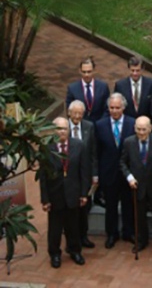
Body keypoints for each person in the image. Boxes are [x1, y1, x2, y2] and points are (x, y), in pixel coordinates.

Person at [39, 117, 89, 268]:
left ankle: (75, 251)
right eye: (59, 129)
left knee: (73, 226)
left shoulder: (79, 145)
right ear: (53, 130)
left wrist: (83, 194)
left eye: (65, 128)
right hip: (55, 195)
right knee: (55, 229)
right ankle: (54, 254)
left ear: (69, 130)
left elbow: (84, 172)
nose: (62, 132)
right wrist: (45, 199)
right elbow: (42, 176)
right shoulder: (47, 147)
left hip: (73, 193)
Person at [120, 116, 152, 255]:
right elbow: (123, 162)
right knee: (139, 216)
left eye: (144, 129)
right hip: (137, 185)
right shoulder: (128, 142)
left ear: (150, 128)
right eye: (138, 129)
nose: (141, 132)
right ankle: (142, 240)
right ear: (134, 128)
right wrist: (129, 177)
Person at [95, 93, 135, 249]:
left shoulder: (132, 124)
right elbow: (97, 151)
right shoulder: (100, 125)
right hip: (108, 172)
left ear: (123, 107)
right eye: (111, 108)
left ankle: (128, 232)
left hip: (127, 172)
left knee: (128, 204)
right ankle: (111, 234)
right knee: (110, 205)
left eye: (117, 108)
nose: (114, 111)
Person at [67, 100, 98, 249]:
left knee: (84, 206)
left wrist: (94, 174)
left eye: (80, 113)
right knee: (70, 208)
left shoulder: (89, 127)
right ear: (69, 113)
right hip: (68, 175)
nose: (77, 116)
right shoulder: (62, 127)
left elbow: (93, 152)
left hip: (84, 175)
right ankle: (71, 239)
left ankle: (83, 236)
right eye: (75, 113)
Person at [66, 57, 110, 123]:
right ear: (80, 71)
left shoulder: (103, 87)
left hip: (99, 125)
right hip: (81, 124)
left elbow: (107, 108)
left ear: (94, 70)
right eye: (84, 72)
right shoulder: (72, 88)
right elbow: (69, 110)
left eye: (89, 72)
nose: (86, 75)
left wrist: (101, 123)